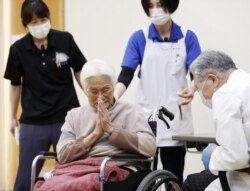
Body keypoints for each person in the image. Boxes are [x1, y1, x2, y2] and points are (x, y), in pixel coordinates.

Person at [33, 59, 156, 191]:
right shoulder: (74, 115)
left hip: (113, 167)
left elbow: (150, 147)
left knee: (84, 185)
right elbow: (63, 154)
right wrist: (95, 135)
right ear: (85, 90)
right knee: (48, 187)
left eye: (105, 90)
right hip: (75, 169)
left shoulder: (130, 111)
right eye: (93, 91)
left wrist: (112, 130)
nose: (100, 97)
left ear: (114, 86)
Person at [114, 0, 201, 182]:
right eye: (151, 5)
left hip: (175, 117)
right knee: (142, 176)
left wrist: (193, 89)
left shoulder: (187, 37)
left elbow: (197, 72)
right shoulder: (139, 37)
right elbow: (126, 74)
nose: (156, 10)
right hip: (145, 116)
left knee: (173, 175)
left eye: (160, 4)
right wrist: (113, 98)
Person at [3, 0, 87, 190]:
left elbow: (80, 71)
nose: (39, 25)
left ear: (49, 18)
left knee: (72, 173)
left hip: (66, 119)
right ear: (26, 25)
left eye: (43, 19)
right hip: (33, 121)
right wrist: (11, 117)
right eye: (33, 22)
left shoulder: (65, 40)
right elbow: (15, 84)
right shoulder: (18, 49)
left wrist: (92, 98)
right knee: (26, 177)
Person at [182, 50, 250, 190]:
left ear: (213, 79)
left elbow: (235, 158)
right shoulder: (244, 81)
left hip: (245, 178)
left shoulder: (225, 93)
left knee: (192, 183)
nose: (202, 95)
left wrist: (213, 152)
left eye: (200, 89)